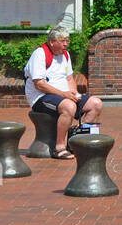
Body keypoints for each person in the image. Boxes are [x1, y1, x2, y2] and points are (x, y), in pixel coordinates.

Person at [23, 26, 102, 157]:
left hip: (63, 96)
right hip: (41, 97)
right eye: (62, 41)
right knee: (69, 106)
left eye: (67, 41)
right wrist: (65, 95)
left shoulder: (65, 55)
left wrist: (74, 93)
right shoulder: (40, 54)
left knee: (96, 104)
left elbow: (69, 78)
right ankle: (59, 148)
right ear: (52, 42)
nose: (66, 44)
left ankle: (76, 139)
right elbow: (39, 84)